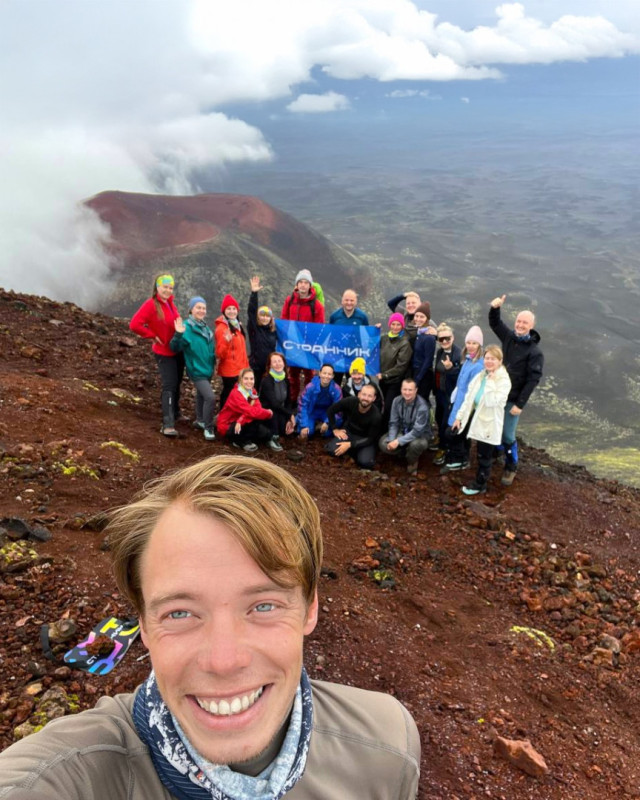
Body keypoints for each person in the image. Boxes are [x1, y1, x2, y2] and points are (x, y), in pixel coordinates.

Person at [0, 456, 420, 798]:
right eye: (180, 613)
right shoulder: (65, 781)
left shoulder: (388, 749)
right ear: (143, 625)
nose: (224, 661)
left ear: (310, 609)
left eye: (264, 605)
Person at [489, 294, 544, 486]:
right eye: (519, 321)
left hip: (513, 399)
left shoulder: (535, 352)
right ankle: (495, 453)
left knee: (507, 434)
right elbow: (495, 324)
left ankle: (511, 466)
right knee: (494, 428)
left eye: (525, 322)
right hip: (498, 395)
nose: (520, 325)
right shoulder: (509, 338)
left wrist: (520, 405)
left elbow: (533, 380)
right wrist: (495, 308)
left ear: (531, 325)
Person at [450, 345, 512, 495]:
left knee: (485, 454)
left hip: (489, 423)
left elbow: (493, 401)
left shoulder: (503, 380)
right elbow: (469, 397)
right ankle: (463, 461)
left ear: (500, 361)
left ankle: (480, 484)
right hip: (476, 416)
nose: (489, 362)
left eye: (493, 359)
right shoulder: (482, 375)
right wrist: (459, 417)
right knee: (455, 435)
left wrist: (490, 382)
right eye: (487, 358)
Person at [129, 273, 185, 438]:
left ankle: (176, 412)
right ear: (157, 287)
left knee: (177, 383)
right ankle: (167, 424)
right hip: (163, 352)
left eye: (170, 287)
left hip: (176, 350)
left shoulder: (170, 303)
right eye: (165, 287)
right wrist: (151, 335)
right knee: (169, 385)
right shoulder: (151, 304)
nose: (167, 290)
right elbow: (134, 324)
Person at [170, 296, 216, 441]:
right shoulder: (186, 327)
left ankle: (200, 420)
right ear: (191, 309)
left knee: (202, 395)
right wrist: (178, 334)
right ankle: (208, 428)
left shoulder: (205, 327)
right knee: (210, 397)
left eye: (203, 308)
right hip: (196, 370)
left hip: (207, 368)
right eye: (198, 307)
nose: (201, 310)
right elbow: (174, 347)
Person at [440, 325, 485, 473]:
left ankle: (459, 460)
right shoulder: (467, 360)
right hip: (458, 400)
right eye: (468, 342)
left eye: (474, 343)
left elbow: (471, 392)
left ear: (480, 345)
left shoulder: (478, 366)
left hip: (466, 405)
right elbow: (461, 381)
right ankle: (461, 458)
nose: (470, 346)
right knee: (461, 433)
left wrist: (462, 410)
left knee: (453, 432)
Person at [281, 269, 325, 403]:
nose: (303, 285)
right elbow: (284, 321)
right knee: (292, 375)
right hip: (293, 345)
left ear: (310, 285)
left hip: (308, 347)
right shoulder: (290, 301)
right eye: (300, 282)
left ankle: (306, 401)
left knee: (309, 376)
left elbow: (319, 328)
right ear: (296, 284)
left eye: (306, 282)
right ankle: (292, 401)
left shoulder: (317, 305)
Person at [216, 368, 280, 453]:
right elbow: (251, 411)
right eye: (246, 378)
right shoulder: (236, 393)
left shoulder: (252, 391)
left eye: (251, 378)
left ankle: (265, 437)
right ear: (240, 379)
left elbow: (257, 409)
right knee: (253, 423)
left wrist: (240, 420)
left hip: (241, 420)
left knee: (264, 433)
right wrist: (268, 413)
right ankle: (240, 441)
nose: (249, 381)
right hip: (228, 424)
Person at [378, 378, 431, 476]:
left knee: (416, 445)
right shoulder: (396, 400)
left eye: (410, 390)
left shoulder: (422, 406)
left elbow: (417, 431)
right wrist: (392, 440)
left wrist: (398, 441)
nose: (407, 393)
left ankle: (412, 461)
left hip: (419, 435)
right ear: (401, 389)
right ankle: (403, 452)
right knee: (383, 443)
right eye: (405, 389)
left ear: (416, 390)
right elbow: (393, 423)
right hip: (403, 431)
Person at [325, 384, 382, 470]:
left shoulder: (376, 416)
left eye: (369, 396)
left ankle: (353, 451)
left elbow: (371, 438)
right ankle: (351, 450)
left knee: (365, 462)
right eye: (364, 394)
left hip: (364, 439)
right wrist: (334, 428)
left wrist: (350, 445)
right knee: (332, 450)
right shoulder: (350, 401)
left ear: (374, 398)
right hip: (349, 433)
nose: (366, 398)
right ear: (359, 394)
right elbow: (331, 410)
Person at [432, 324, 461, 465]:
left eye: (447, 338)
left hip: (451, 396)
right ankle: (440, 438)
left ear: (453, 338)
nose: (444, 341)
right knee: (438, 417)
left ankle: (443, 448)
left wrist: (451, 369)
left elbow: (461, 378)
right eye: (441, 339)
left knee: (445, 423)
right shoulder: (440, 352)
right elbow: (436, 371)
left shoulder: (458, 354)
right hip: (440, 393)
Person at [377, 313, 413, 427]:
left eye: (398, 324)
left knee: (388, 407)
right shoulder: (384, 338)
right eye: (393, 324)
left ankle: (385, 431)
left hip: (394, 381)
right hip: (381, 380)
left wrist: (385, 375)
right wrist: (374, 330)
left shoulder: (404, 343)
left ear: (402, 326)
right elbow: (371, 348)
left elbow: (401, 366)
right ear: (389, 324)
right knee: (379, 405)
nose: (395, 327)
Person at [215, 293, 250, 410]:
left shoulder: (237, 325)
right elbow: (220, 354)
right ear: (224, 311)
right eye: (228, 309)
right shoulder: (222, 328)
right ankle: (223, 418)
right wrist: (226, 341)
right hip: (230, 370)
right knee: (228, 395)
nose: (231, 311)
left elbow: (241, 349)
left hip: (240, 368)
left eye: (234, 308)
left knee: (237, 396)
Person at [329, 290, 369, 387]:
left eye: (352, 300)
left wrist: (376, 329)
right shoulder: (334, 316)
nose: (349, 303)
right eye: (346, 300)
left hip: (354, 358)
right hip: (338, 357)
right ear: (342, 301)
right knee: (335, 383)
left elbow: (367, 334)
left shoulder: (362, 317)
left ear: (356, 302)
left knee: (353, 384)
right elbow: (330, 333)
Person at [247, 275, 277, 392]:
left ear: (271, 318)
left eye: (267, 316)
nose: (265, 318)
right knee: (255, 390)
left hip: (270, 368)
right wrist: (254, 294)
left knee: (267, 392)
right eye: (262, 315)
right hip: (256, 367)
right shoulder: (254, 329)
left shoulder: (273, 331)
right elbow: (251, 312)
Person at [297, 363, 342, 440]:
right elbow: (302, 405)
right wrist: (304, 425)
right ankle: (305, 424)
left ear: (333, 376)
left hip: (327, 412)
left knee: (327, 433)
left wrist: (328, 422)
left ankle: (320, 425)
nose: (326, 376)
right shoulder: (310, 386)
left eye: (329, 374)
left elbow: (338, 409)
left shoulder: (337, 389)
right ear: (320, 373)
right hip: (312, 411)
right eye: (324, 373)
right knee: (307, 432)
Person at [259, 352, 297, 442]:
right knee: (275, 433)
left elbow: (288, 401)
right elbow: (274, 404)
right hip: (269, 411)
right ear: (270, 365)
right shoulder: (267, 381)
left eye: (280, 361)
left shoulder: (285, 379)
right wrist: (289, 414)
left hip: (280, 410)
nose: (278, 364)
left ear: (284, 363)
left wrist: (289, 419)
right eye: (274, 362)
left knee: (288, 430)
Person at [411, 303, 437, 404]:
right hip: (415, 371)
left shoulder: (429, 337)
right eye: (417, 316)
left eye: (422, 317)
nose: (418, 319)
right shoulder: (418, 332)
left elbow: (428, 360)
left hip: (424, 375)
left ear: (427, 319)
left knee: (421, 402)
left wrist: (418, 378)